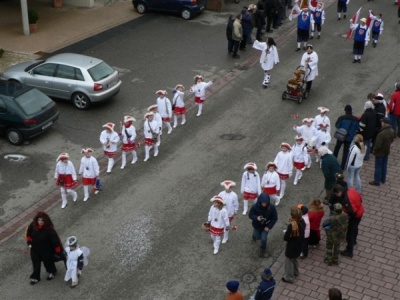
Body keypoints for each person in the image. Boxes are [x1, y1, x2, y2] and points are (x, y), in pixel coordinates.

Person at [25, 212, 64, 285]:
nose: (40, 222)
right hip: (35, 250)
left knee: (48, 262)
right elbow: (28, 234)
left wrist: (58, 252)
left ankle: (51, 272)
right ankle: (36, 277)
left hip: (46, 250)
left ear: (45, 221)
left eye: (42, 220)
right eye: (39, 220)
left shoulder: (50, 230)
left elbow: (55, 242)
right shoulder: (33, 225)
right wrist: (29, 242)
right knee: (36, 264)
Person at [335, 187, 364, 258]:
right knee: (355, 228)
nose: (337, 196)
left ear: (339, 192)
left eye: (336, 194)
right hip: (360, 211)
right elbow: (360, 198)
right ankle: (354, 240)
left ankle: (349, 251)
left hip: (355, 216)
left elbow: (352, 212)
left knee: (349, 233)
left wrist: (348, 217)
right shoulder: (351, 190)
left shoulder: (346, 199)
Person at [249, 193, 278, 257]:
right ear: (260, 201)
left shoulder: (272, 207)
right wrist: (256, 218)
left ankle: (262, 251)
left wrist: (269, 227)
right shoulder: (255, 206)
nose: (264, 204)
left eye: (266, 202)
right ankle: (254, 237)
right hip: (257, 225)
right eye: (263, 202)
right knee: (257, 236)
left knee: (263, 239)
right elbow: (250, 215)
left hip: (266, 226)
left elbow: (275, 218)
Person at [281, 206, 305, 283]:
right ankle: (296, 272)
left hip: (292, 247)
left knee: (289, 262)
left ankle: (289, 278)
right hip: (300, 245)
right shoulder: (302, 222)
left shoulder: (292, 225)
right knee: (295, 259)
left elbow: (286, 237)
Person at [369, 117, 395, 186]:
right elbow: (392, 140)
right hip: (386, 151)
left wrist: (374, 150)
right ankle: (383, 179)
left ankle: (377, 181)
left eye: (382, 122)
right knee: (384, 166)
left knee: (378, 167)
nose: (381, 123)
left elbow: (377, 145)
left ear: (384, 123)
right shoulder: (392, 131)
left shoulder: (381, 134)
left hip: (380, 152)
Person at [333, 105, 359, 170]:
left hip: (341, 136)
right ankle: (343, 166)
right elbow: (357, 128)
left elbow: (337, 126)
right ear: (351, 111)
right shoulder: (355, 119)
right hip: (349, 138)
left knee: (337, 148)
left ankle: (333, 161)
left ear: (345, 110)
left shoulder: (342, 118)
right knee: (346, 152)